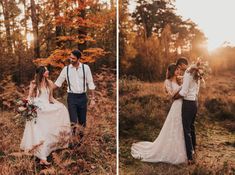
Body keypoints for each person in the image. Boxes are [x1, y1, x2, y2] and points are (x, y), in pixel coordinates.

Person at [131, 63, 188, 164]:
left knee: (181, 127)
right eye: (177, 70)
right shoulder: (167, 81)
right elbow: (171, 94)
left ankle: (181, 150)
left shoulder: (180, 79)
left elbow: (187, 81)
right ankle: (171, 152)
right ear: (172, 71)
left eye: (179, 70)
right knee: (174, 126)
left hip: (183, 105)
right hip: (176, 105)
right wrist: (180, 88)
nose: (179, 71)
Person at [20, 66, 71, 165]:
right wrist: (28, 106)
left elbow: (51, 98)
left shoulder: (49, 83)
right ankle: (42, 158)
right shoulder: (34, 84)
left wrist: (60, 104)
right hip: (38, 109)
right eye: (46, 70)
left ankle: (49, 149)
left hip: (47, 108)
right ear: (42, 73)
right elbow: (30, 97)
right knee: (40, 132)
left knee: (49, 129)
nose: (48, 71)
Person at [54, 50, 95, 136]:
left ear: (78, 59)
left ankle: (80, 142)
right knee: (73, 121)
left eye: (73, 58)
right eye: (70, 57)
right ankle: (72, 140)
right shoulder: (66, 69)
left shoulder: (86, 68)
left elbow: (90, 83)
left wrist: (92, 99)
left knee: (82, 122)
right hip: (72, 97)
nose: (71, 60)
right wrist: (45, 88)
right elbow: (58, 83)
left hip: (83, 97)